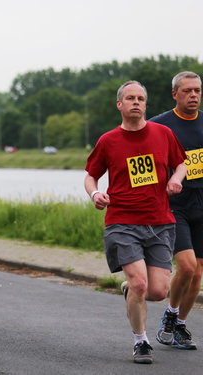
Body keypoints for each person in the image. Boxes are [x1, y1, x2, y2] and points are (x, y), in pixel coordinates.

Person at [84, 81, 187, 364]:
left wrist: (176, 179)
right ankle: (141, 341)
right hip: (122, 222)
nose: (136, 103)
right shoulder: (108, 141)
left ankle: (131, 291)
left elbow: (181, 163)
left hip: (160, 222)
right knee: (141, 283)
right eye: (130, 98)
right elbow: (90, 175)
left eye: (141, 98)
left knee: (157, 291)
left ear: (146, 104)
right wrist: (95, 193)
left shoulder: (163, 134)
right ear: (120, 104)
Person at [150, 71, 203, 350]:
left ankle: (179, 323)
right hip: (175, 205)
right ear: (175, 94)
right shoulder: (159, 126)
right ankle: (170, 315)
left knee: (197, 273)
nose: (193, 95)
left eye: (197, 90)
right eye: (187, 91)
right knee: (186, 265)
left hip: (202, 203)